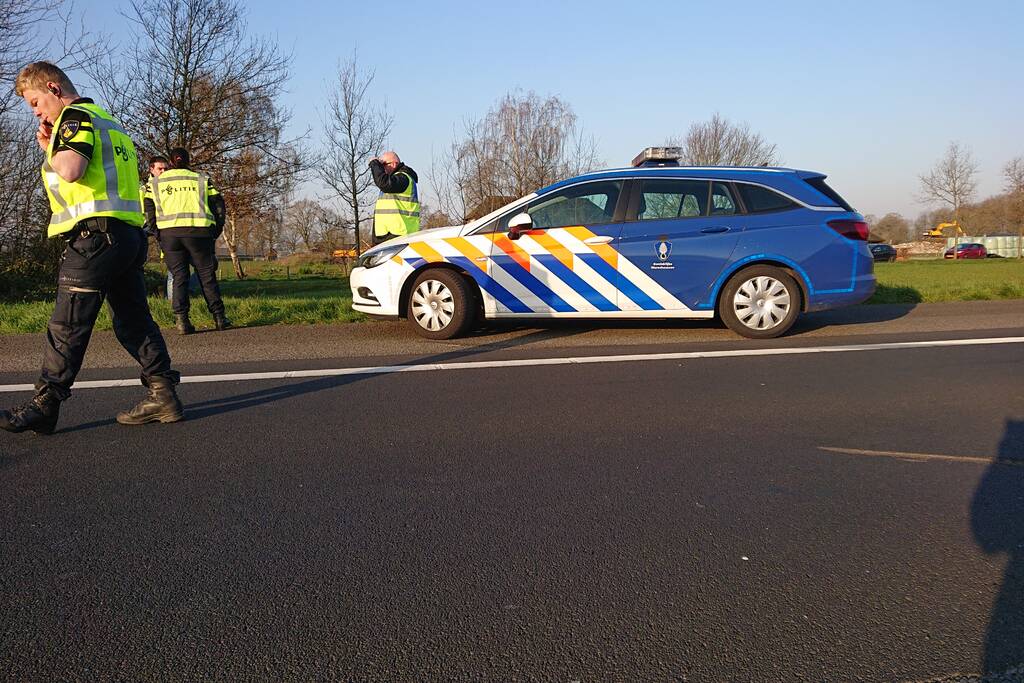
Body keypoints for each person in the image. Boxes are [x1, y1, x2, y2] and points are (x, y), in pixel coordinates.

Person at [1, 61, 183, 434]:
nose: (36, 112)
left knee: (68, 323)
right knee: (133, 320)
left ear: (53, 89)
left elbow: (70, 169)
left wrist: (51, 147)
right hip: (126, 237)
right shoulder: (109, 123)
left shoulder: (74, 118)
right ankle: (163, 394)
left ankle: (45, 403)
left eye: (35, 102)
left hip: (95, 238)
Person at [145, 147, 230, 335]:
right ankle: (219, 318)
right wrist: (215, 229)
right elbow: (219, 204)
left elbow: (149, 208)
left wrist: (157, 233)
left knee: (179, 277)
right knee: (207, 277)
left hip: (170, 235)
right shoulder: (201, 179)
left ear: (170, 162)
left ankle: (182, 321)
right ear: (188, 160)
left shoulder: (156, 183)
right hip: (199, 234)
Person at [369, 151, 420, 245]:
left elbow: (383, 183)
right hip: (389, 236)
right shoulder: (395, 180)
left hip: (398, 236)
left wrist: (375, 164)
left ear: (393, 164)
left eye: (383, 164)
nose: (381, 168)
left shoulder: (403, 178)